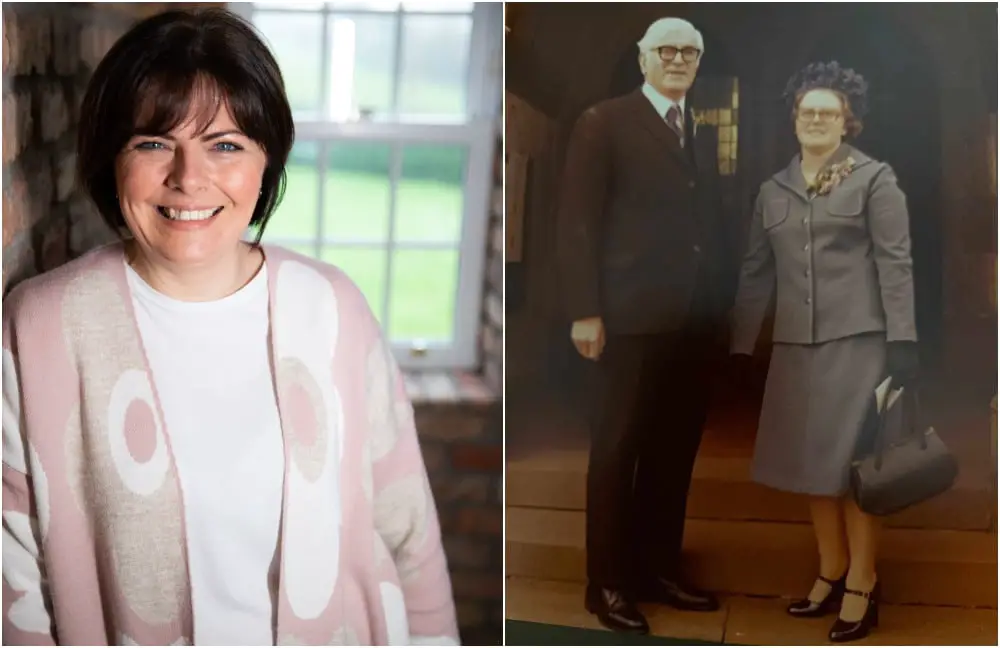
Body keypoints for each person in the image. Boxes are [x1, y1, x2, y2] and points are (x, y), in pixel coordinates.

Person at [1, 9, 458, 646]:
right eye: (154, 143)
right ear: (112, 159)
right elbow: (11, 584)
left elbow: (408, 531)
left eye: (225, 145)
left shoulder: (333, 310)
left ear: (265, 162)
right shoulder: (40, 328)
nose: (190, 178)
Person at [554, 17, 740, 635]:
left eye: (690, 51)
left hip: (690, 321)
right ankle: (606, 584)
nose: (679, 59)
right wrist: (585, 308)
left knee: (672, 452)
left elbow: (703, 229)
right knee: (616, 450)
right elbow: (578, 221)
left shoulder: (698, 131)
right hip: (625, 318)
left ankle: (658, 569)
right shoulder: (603, 122)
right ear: (643, 58)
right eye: (667, 49)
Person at [729, 61, 919, 643]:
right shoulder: (772, 191)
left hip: (858, 344)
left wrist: (902, 340)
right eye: (807, 111)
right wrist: (741, 345)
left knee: (855, 467)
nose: (816, 120)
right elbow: (756, 273)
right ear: (794, 119)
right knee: (813, 467)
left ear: (847, 122)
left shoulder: (876, 180)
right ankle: (831, 569)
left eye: (828, 113)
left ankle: (863, 582)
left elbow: (895, 262)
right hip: (794, 346)